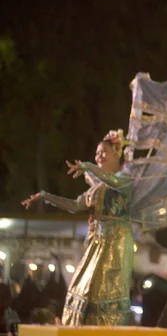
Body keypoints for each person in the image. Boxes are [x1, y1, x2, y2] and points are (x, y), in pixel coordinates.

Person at [21, 130, 134, 326]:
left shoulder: (124, 179)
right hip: (96, 241)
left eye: (104, 151)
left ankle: (108, 327)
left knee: (106, 288)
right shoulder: (97, 187)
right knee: (84, 285)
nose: (99, 156)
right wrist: (46, 196)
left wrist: (88, 167)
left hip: (115, 240)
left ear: (117, 153)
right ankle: (84, 326)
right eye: (97, 153)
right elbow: (75, 205)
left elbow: (113, 182)